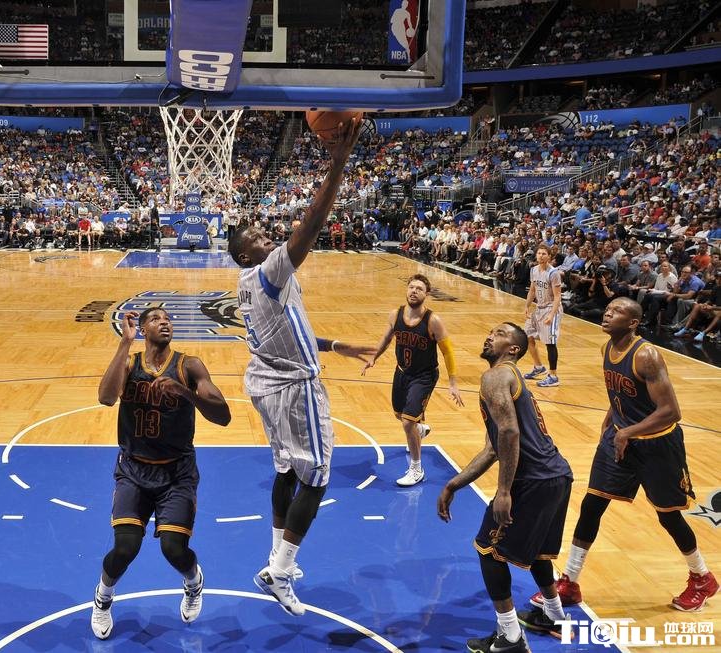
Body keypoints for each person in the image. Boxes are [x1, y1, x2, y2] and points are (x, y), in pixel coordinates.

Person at [228, 118, 374, 616]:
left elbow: (287, 335)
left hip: (267, 383)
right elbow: (309, 227)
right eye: (257, 236)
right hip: (293, 388)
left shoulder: (247, 286)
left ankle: (275, 556)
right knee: (317, 477)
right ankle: (282, 570)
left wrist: (335, 346)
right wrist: (337, 164)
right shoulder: (266, 271)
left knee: (287, 468)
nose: (267, 236)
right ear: (245, 254)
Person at [529, 298, 716, 613]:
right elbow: (621, 394)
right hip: (619, 440)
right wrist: (611, 422)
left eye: (616, 312)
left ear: (633, 323)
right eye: (608, 309)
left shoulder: (646, 356)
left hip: (657, 446)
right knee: (591, 505)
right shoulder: (606, 349)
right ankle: (570, 581)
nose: (607, 313)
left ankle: (701, 578)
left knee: (668, 516)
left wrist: (626, 432)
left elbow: (671, 411)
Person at [90, 308, 231, 639]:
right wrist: (124, 343)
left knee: (173, 549)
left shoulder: (189, 366)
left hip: (176, 474)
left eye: (167, 318)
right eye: (155, 318)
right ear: (142, 328)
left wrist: (185, 393)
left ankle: (193, 582)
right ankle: (102, 598)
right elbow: (106, 398)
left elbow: (223, 416)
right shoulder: (130, 364)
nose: (164, 322)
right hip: (133, 470)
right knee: (125, 548)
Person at [438, 323, 573, 653]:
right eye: (490, 331)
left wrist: (503, 491)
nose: (489, 336)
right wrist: (454, 484)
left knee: (488, 550)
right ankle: (554, 616)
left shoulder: (496, 376)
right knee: (538, 551)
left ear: (513, 348)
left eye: (499, 333)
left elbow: (509, 433)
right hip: (558, 475)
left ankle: (510, 636)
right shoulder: (511, 378)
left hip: (533, 480)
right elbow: (492, 448)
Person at [362, 274, 464, 486]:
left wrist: (453, 383)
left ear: (427, 294)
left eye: (419, 289)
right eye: (411, 287)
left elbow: (448, 352)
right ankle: (419, 430)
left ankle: (417, 469)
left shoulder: (433, 321)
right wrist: (373, 357)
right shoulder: (395, 314)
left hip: (424, 375)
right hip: (402, 372)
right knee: (401, 416)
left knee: (408, 421)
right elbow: (387, 338)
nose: (414, 291)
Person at [523, 245, 563, 387]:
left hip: (551, 308)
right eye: (539, 253)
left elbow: (557, 297)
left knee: (550, 343)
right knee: (527, 336)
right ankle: (539, 367)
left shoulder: (553, 273)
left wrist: (552, 315)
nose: (540, 255)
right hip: (539, 308)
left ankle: (553, 376)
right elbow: (532, 290)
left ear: (549, 256)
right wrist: (527, 306)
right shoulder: (534, 270)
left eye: (544, 253)